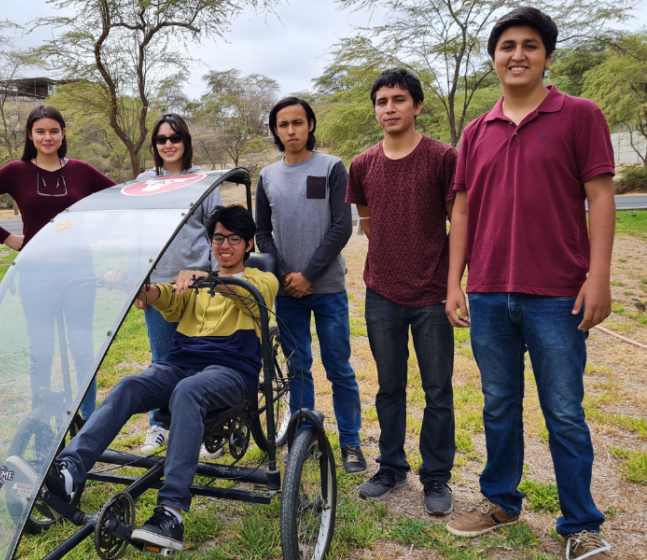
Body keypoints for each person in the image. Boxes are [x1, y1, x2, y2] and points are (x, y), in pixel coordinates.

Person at [444, 9, 615, 560]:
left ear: (546, 56)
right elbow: (463, 210)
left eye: (530, 46)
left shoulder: (579, 115)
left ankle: (581, 525)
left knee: (564, 410)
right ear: (493, 57)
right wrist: (456, 282)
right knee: (498, 404)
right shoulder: (477, 130)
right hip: (491, 292)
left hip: (558, 294)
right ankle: (500, 501)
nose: (517, 55)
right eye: (507, 46)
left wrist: (599, 278)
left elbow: (602, 198)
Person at [45, 205, 278, 552]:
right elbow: (166, 298)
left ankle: (171, 513)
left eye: (233, 238)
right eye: (218, 237)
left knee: (188, 391)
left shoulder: (262, 279)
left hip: (230, 371)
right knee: (129, 385)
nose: (224, 245)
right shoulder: (194, 283)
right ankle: (67, 471)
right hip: (181, 363)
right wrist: (140, 288)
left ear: (247, 244)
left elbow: (246, 294)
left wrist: (209, 279)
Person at [346, 68, 457, 515]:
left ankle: (436, 477)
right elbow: (368, 219)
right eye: (381, 101)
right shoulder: (362, 164)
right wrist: (392, 257)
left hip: (432, 293)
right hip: (382, 292)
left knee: (437, 389)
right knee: (389, 387)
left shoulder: (442, 157)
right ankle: (390, 467)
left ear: (417, 105)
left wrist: (451, 282)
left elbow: (458, 220)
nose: (389, 108)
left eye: (398, 100)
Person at [0, 106, 115, 420]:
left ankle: (88, 422)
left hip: (80, 271)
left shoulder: (81, 170)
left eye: (54, 130)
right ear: (30, 135)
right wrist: (5, 237)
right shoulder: (16, 171)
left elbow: (120, 197)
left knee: (82, 352)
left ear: (63, 133)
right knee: (41, 353)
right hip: (35, 273)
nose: (47, 137)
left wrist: (98, 233)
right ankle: (40, 421)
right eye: (40, 131)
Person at [255, 97, 365, 473]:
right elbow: (261, 232)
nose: (291, 131)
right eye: (282, 125)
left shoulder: (332, 167)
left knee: (339, 368)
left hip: (327, 288)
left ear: (311, 124)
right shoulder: (267, 176)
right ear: (274, 131)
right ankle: (303, 437)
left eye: (297, 123)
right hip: (287, 292)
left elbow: (342, 226)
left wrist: (309, 275)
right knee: (297, 367)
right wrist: (288, 275)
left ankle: (351, 442)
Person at [133, 113, 224, 457]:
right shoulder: (145, 182)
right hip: (158, 285)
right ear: (155, 145)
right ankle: (160, 424)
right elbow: (136, 234)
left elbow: (217, 233)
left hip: (198, 283)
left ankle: (201, 427)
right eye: (161, 139)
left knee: (200, 359)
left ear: (186, 141)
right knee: (162, 360)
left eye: (175, 138)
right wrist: (138, 283)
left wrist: (215, 278)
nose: (168, 144)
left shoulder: (203, 181)